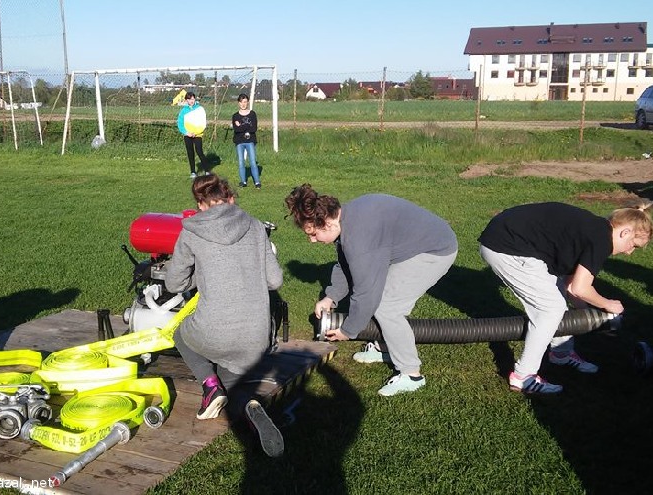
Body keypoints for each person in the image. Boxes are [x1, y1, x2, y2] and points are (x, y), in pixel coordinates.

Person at [284, 184, 458, 396]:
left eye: (313, 234)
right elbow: (346, 264)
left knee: (387, 306)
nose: (312, 240)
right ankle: (385, 347)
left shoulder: (360, 238)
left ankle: (411, 374)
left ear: (327, 223)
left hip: (435, 249)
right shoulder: (346, 219)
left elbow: (366, 294)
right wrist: (330, 297)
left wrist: (348, 330)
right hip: (412, 245)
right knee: (381, 297)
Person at [478, 201, 653, 394]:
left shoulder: (595, 231)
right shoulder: (601, 240)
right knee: (550, 309)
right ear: (625, 232)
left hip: (510, 241)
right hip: (505, 246)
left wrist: (592, 317)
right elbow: (580, 288)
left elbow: (570, 287)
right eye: (634, 245)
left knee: (557, 296)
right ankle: (523, 377)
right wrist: (608, 304)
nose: (629, 252)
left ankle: (561, 353)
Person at [165, 173, 285, 457]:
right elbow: (275, 280)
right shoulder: (255, 225)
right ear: (229, 197)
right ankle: (251, 405)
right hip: (257, 338)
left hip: (214, 332)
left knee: (181, 334)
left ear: (200, 204)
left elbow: (174, 284)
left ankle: (209, 386)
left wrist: (200, 275)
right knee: (232, 376)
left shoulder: (191, 230)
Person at [176, 91, 208, 179]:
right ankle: (193, 172)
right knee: (190, 153)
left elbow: (203, 122)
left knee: (199, 151)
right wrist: (187, 133)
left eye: (193, 99)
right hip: (187, 135)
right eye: (189, 99)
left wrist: (196, 133)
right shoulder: (183, 111)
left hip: (198, 135)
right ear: (186, 100)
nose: (191, 101)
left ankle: (207, 170)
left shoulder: (200, 109)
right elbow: (180, 123)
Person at [232, 93, 260, 189]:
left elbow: (254, 128)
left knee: (252, 162)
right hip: (239, 142)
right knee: (241, 162)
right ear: (238, 103)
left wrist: (241, 126)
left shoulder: (252, 114)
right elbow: (236, 130)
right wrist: (246, 127)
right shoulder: (235, 116)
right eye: (241, 102)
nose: (243, 104)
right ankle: (243, 181)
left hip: (250, 141)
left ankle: (257, 182)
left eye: (245, 102)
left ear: (247, 102)